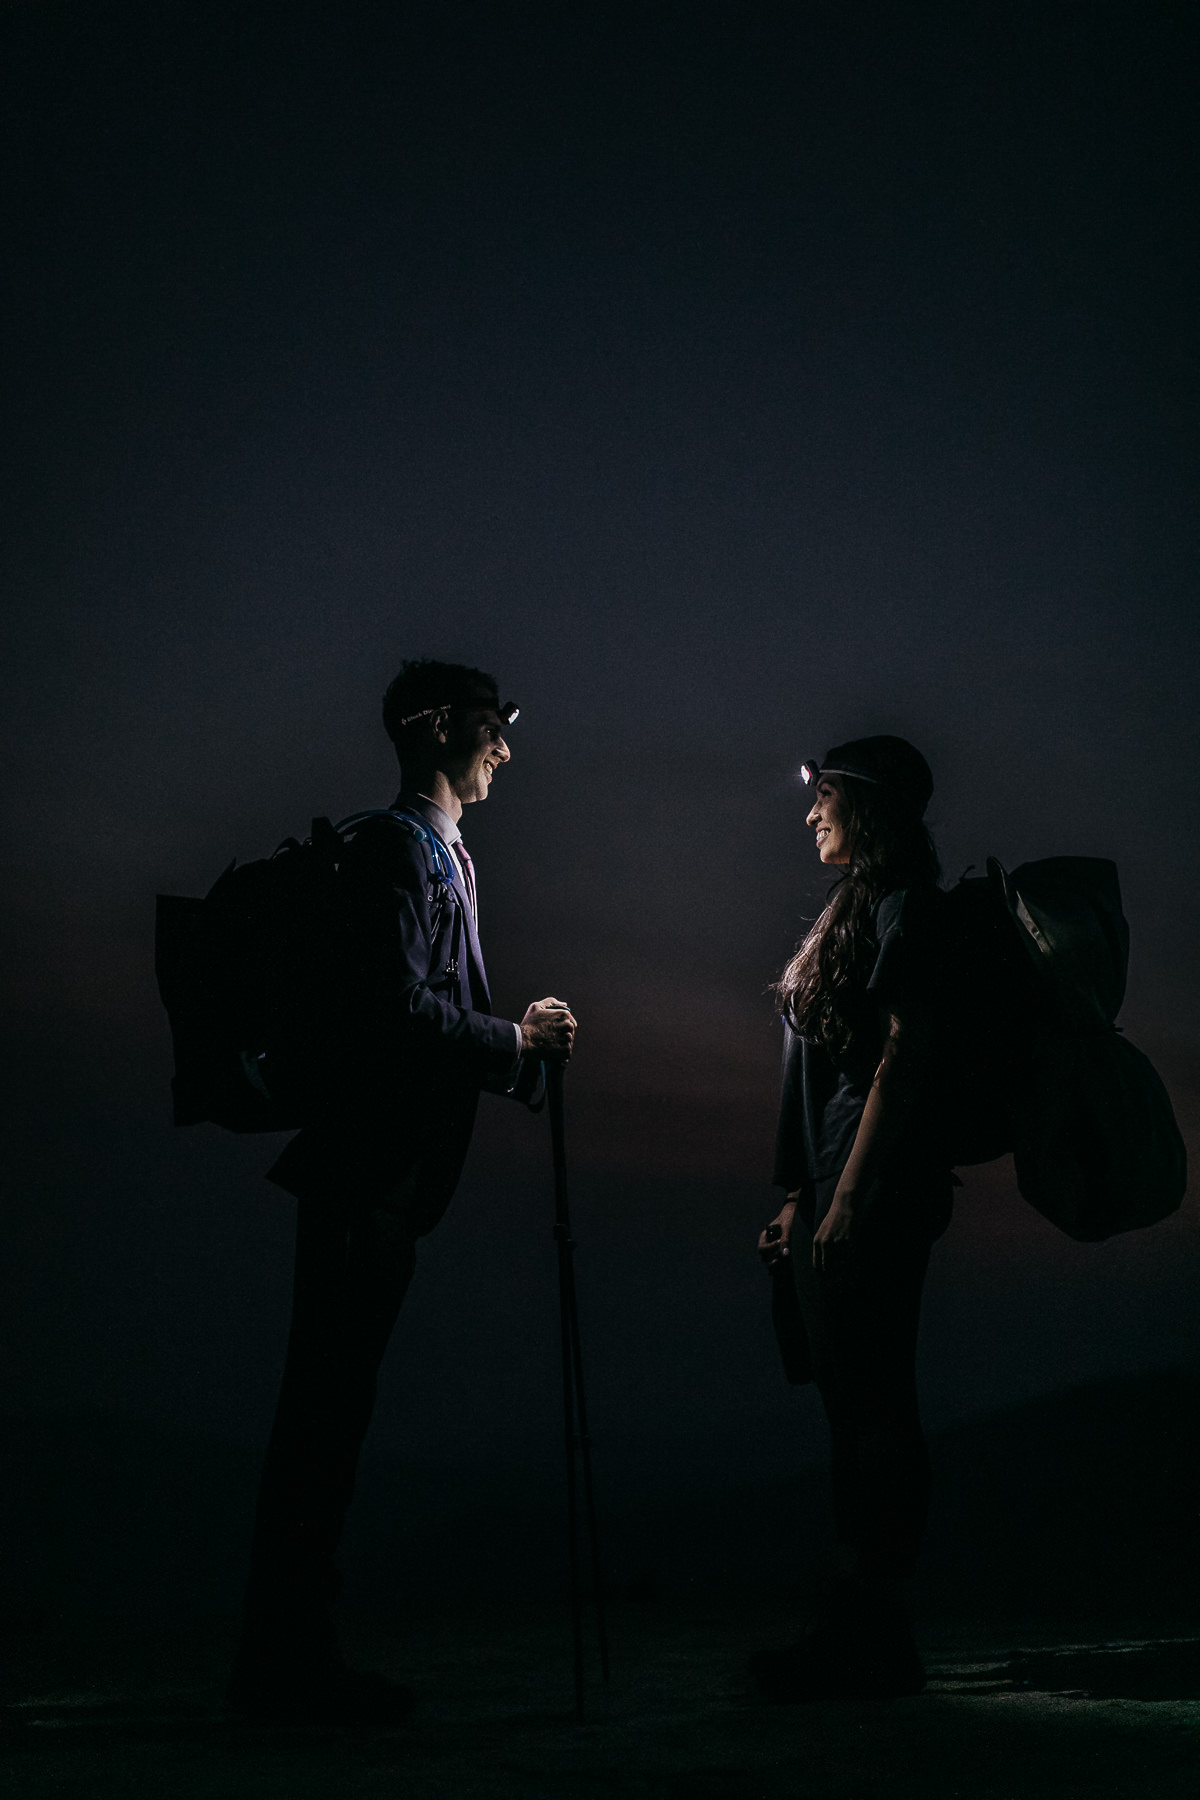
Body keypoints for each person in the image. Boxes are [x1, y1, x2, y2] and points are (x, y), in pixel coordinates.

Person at [228, 658, 576, 1722]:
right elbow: (397, 1011)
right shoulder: (395, 849)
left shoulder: (437, 856)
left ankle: (292, 1650)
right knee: (324, 1410)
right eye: (488, 726)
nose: (504, 747)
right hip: (362, 1178)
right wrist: (517, 1040)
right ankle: (287, 1662)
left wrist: (509, 1049)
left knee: (334, 1405)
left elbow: (421, 1011)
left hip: (382, 1180)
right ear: (434, 732)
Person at [752, 735, 951, 1701]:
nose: (809, 812)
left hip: (876, 1193)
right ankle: (855, 1619)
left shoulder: (908, 905)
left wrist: (852, 1198)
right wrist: (799, 1199)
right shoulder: (854, 905)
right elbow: (821, 1075)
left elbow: (901, 1060)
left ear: (867, 805)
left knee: (876, 1404)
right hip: (831, 1191)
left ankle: (878, 1626)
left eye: (824, 795)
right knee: (849, 1404)